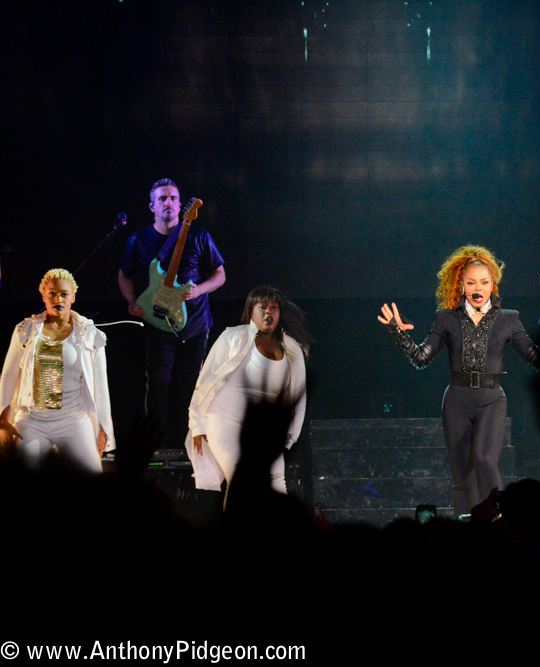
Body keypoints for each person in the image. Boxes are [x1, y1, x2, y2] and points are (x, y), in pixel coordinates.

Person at [378, 245, 540, 517]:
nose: (478, 288)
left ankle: (500, 520)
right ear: (461, 285)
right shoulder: (446, 318)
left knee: (485, 460)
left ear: (492, 285)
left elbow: (536, 358)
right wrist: (398, 333)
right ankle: (469, 535)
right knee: (462, 478)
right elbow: (420, 359)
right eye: (471, 282)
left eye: (484, 282)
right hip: (457, 400)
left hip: (491, 399)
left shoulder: (509, 318)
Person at [118, 178, 226, 448]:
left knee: (190, 383)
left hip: (195, 322)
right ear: (152, 206)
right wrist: (133, 302)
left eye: (174, 198)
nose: (169, 202)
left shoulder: (199, 236)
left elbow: (220, 275)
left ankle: (189, 441)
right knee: (158, 382)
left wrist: (199, 290)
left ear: (181, 205)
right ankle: (160, 443)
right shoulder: (138, 240)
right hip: (158, 320)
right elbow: (124, 275)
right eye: (162, 198)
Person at [185, 286, 310, 496]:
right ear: (251, 312)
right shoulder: (232, 337)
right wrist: (197, 424)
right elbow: (205, 379)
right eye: (262, 307)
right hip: (224, 417)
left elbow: (298, 396)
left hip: (264, 425)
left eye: (274, 307)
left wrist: (288, 438)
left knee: (276, 481)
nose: (269, 312)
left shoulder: (292, 349)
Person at [0, 269, 114, 472]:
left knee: (93, 477)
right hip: (31, 420)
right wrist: (2, 421)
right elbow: (8, 376)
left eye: (63, 294)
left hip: (72, 419)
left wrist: (104, 429)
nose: (57, 299)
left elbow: (100, 383)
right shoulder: (26, 330)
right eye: (51, 293)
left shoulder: (89, 334)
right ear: (43, 296)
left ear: (73, 297)